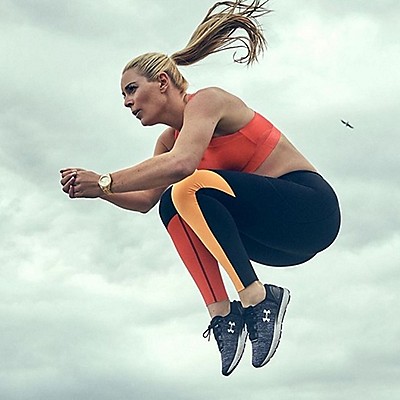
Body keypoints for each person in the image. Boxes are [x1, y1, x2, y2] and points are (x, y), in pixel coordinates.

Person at [60, 0, 341, 376]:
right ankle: (224, 316)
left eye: (131, 89)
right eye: (123, 96)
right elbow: (146, 200)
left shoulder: (207, 101)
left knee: (187, 187)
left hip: (310, 211)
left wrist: (107, 179)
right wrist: (100, 192)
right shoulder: (166, 142)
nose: (127, 102)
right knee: (170, 206)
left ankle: (259, 300)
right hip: (277, 246)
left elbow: (183, 164)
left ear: (162, 82)